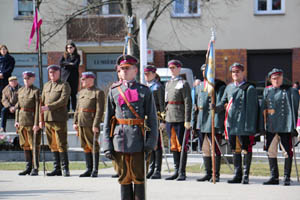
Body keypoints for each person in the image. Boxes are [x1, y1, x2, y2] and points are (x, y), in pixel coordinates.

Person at [103, 55, 158, 200]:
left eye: (128, 68)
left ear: (135, 70)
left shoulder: (144, 91)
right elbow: (108, 120)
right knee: (124, 177)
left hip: (139, 140)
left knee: (139, 177)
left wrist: (150, 144)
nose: (124, 71)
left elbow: (152, 120)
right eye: (122, 69)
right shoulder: (114, 90)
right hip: (119, 140)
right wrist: (107, 145)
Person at [215, 62, 258, 184]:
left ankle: (245, 175)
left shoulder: (249, 88)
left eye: (238, 71)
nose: (235, 74)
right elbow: (223, 102)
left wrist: (251, 126)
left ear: (242, 73)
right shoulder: (229, 87)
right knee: (234, 149)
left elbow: (252, 110)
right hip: (231, 124)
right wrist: (215, 107)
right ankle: (237, 174)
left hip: (244, 125)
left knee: (245, 149)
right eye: (233, 72)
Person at [260, 68, 299, 186]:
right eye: (274, 78)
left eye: (278, 77)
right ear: (270, 79)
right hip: (271, 126)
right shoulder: (267, 91)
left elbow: (294, 108)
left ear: (282, 78)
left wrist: (293, 126)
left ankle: (286, 177)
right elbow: (263, 109)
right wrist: (262, 126)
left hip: (285, 126)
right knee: (271, 152)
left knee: (287, 152)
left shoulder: (289, 91)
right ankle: (274, 177)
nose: (276, 80)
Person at [192, 64, 226, 182]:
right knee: (205, 148)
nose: (205, 73)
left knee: (214, 149)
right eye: (203, 71)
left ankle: (215, 174)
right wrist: (193, 122)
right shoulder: (199, 86)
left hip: (212, 120)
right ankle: (208, 172)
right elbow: (195, 106)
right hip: (201, 121)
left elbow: (222, 103)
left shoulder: (218, 86)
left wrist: (215, 109)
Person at [40, 65, 71, 177]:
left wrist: (49, 107)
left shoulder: (64, 85)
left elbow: (63, 100)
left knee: (61, 143)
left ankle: (65, 168)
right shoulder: (46, 85)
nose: (52, 74)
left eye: (54, 72)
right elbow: (41, 103)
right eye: (50, 72)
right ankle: (56, 168)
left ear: (59, 73)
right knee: (52, 144)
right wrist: (41, 119)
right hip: (48, 119)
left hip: (59, 118)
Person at [164, 59, 192, 181]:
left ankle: (182, 171)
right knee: (174, 145)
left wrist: (187, 119)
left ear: (179, 68)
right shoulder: (168, 83)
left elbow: (187, 102)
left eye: (174, 67)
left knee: (181, 145)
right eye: (170, 68)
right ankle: (176, 170)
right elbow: (166, 101)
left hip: (180, 117)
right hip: (170, 117)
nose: (172, 70)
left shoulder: (184, 83)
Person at [73, 72, 105, 178]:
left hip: (91, 123)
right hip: (81, 122)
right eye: (82, 79)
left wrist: (96, 124)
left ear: (91, 80)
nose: (82, 81)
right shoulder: (81, 92)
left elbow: (100, 110)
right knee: (85, 146)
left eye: (84, 79)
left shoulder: (98, 92)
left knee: (93, 145)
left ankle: (95, 169)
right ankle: (88, 168)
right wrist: (75, 122)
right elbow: (77, 109)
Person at [15, 71, 40, 176]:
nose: (26, 80)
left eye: (28, 78)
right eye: (25, 79)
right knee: (25, 145)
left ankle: (35, 167)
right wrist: (17, 120)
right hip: (22, 120)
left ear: (33, 79)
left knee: (33, 145)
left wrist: (37, 123)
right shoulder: (20, 90)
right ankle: (28, 167)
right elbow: (18, 107)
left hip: (31, 121)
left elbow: (38, 108)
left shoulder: (36, 91)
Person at [144, 65, 165, 179]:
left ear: (154, 74)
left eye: (148, 74)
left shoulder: (158, 87)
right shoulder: (145, 87)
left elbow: (162, 105)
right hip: (146, 120)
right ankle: (151, 168)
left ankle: (158, 170)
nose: (146, 76)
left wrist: (163, 121)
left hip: (156, 118)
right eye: (145, 74)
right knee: (150, 144)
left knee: (157, 145)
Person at [59, 41, 80, 112]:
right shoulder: (64, 56)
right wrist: (69, 63)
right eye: (67, 48)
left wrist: (67, 65)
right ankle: (66, 109)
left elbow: (75, 65)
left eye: (71, 47)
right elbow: (61, 63)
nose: (69, 49)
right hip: (65, 78)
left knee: (73, 94)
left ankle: (74, 109)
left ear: (74, 48)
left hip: (73, 78)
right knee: (66, 94)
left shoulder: (77, 56)